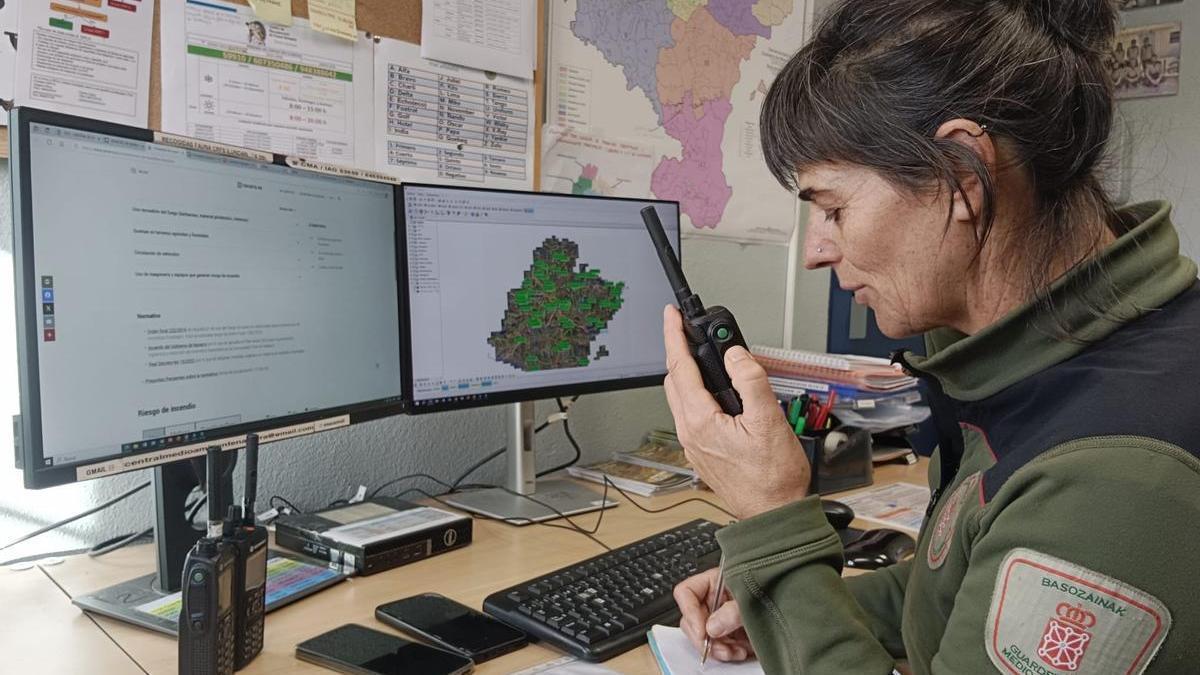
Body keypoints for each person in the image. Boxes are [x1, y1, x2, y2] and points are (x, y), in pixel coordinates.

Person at [665, 0, 1200, 673]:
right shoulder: (1044, 363)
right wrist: (789, 605)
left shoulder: (1114, 480)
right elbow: (958, 595)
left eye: (833, 208)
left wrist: (772, 522)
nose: (816, 252)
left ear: (961, 178)